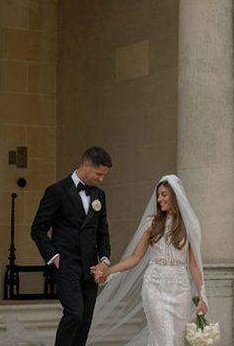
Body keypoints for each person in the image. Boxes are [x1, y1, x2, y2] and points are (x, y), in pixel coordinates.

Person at [86, 174, 207, 346]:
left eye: (164, 194)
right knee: (164, 338)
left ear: (175, 195)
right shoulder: (152, 223)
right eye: (158, 195)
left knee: (177, 340)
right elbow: (135, 257)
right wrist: (108, 271)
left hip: (180, 289)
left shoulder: (190, 226)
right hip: (154, 286)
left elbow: (195, 265)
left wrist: (203, 296)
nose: (159, 199)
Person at [31, 147, 113, 346]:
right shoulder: (56, 191)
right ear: (86, 165)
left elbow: (103, 232)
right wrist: (54, 257)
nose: (101, 179)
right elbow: (38, 229)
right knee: (75, 314)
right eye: (99, 174)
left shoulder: (99, 196)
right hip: (66, 264)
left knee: (85, 321)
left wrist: (104, 260)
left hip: (90, 267)